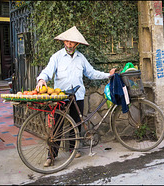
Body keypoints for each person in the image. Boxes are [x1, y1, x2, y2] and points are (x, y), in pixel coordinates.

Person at [35, 26, 116, 167]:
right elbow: (47, 71)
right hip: (61, 97)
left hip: (77, 96)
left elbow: (91, 73)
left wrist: (108, 75)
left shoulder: (81, 58)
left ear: (77, 44)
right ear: (63, 42)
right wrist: (42, 79)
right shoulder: (57, 57)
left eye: (72, 42)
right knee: (57, 126)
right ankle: (51, 155)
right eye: (67, 41)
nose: (69, 44)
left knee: (76, 123)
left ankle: (74, 149)